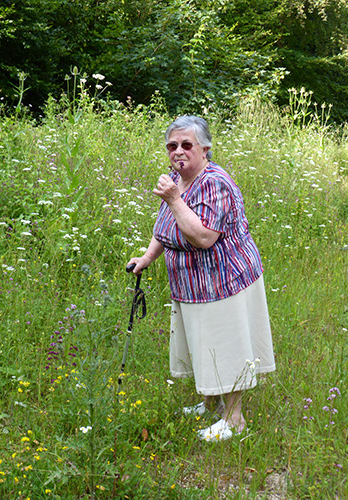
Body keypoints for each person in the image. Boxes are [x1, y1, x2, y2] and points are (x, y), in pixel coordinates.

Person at [128, 115, 275, 442]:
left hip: (224, 281)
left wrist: (174, 200)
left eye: (186, 145)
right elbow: (165, 226)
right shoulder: (176, 178)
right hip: (192, 284)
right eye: (171, 146)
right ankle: (210, 404)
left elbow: (204, 237)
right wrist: (147, 257)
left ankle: (234, 419)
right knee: (200, 342)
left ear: (205, 148)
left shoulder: (214, 183)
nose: (178, 151)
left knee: (227, 346)